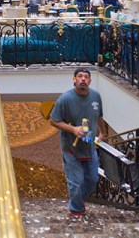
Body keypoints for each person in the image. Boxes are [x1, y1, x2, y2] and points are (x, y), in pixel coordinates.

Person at [49, 68, 106, 219]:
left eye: (86, 77)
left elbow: (99, 115)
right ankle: (75, 209)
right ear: (74, 79)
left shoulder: (96, 96)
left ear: (90, 81)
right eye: (79, 76)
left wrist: (103, 131)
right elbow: (53, 120)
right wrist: (73, 129)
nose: (82, 79)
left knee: (92, 179)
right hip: (70, 148)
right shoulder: (65, 99)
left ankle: (77, 201)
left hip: (90, 146)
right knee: (76, 181)